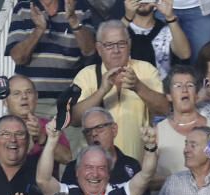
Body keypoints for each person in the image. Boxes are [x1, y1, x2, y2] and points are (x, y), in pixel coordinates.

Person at [72, 21, 168, 163]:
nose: (116, 50)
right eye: (109, 45)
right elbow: (74, 119)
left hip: (137, 168)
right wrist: (102, 91)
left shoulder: (146, 70)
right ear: (99, 48)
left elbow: (164, 109)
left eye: (121, 44)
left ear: (129, 45)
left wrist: (138, 86)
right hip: (96, 168)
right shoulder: (86, 75)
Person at [6, 0, 96, 115]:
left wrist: (73, 20)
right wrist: (39, 30)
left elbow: (90, 50)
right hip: (32, 103)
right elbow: (18, 58)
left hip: (69, 103)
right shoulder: (24, 8)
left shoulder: (78, 6)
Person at [0, 75, 72, 165]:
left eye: (28, 92)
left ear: (36, 97)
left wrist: (42, 138)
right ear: (5, 101)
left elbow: (67, 158)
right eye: (16, 93)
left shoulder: (51, 126)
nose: (24, 97)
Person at [154, 66, 210, 185]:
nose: (184, 90)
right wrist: (179, 183)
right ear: (168, 96)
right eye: (178, 86)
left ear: (197, 94)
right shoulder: (157, 132)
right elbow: (146, 178)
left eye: (190, 85)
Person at [61, 107, 142, 185]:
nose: (93, 134)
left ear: (114, 129)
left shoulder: (132, 166)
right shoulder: (73, 169)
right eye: (88, 131)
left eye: (99, 127)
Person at [123, 0, 190, 80]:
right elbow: (110, 42)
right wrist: (127, 17)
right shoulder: (122, 27)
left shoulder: (166, 29)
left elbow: (184, 54)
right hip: (127, 85)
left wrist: (170, 17)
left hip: (160, 87)